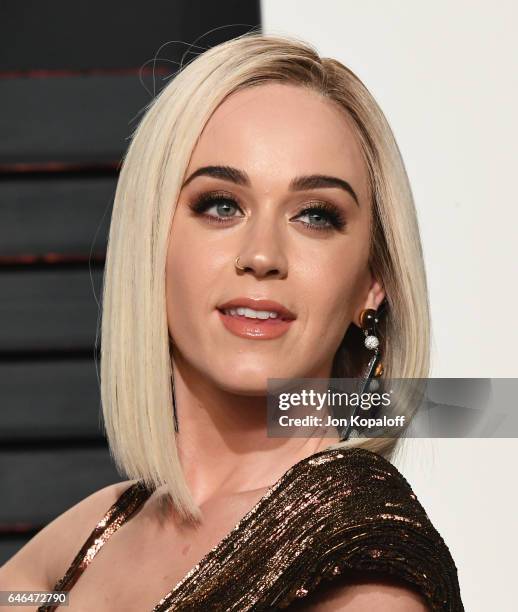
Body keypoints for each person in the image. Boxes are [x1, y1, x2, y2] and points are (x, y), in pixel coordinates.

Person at [0, 33, 464, 611]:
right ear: (153, 244)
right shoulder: (94, 537)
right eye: (221, 205)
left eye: (316, 216)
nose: (262, 254)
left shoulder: (364, 571)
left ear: (373, 285)